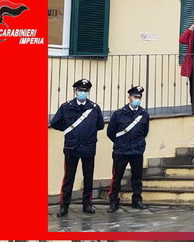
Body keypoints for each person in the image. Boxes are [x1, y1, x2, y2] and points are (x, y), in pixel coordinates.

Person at [50, 78, 105, 217]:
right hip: (71, 147)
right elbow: (55, 123)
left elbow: (100, 125)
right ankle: (64, 206)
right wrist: (68, 129)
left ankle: (87, 204)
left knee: (88, 177)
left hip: (88, 147)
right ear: (75, 91)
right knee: (69, 178)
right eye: (80, 90)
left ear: (88, 92)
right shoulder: (66, 106)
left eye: (85, 91)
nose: (82, 93)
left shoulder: (94, 108)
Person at [106, 85, 150, 213]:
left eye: (139, 97)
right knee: (117, 178)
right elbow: (111, 132)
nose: (137, 99)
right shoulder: (119, 114)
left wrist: (138, 144)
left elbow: (144, 132)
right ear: (129, 97)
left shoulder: (143, 114)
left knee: (137, 178)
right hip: (121, 151)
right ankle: (113, 202)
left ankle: (137, 200)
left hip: (136, 151)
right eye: (135, 97)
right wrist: (120, 143)